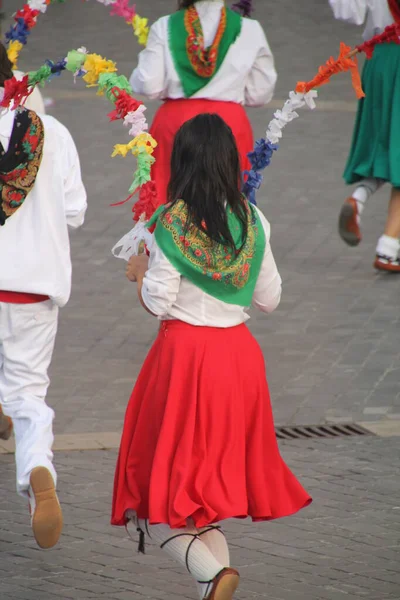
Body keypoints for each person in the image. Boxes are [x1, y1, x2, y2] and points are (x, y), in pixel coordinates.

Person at [112, 114, 311, 600]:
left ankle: (212, 576)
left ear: (181, 162)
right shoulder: (253, 220)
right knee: (204, 504)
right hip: (239, 361)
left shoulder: (171, 221)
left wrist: (139, 271)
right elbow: (269, 300)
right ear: (230, 163)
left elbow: (158, 302)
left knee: (157, 499)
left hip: (183, 360)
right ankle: (214, 586)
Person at [0, 41, 87, 549]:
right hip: (33, 289)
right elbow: (74, 209)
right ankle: (37, 470)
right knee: (29, 393)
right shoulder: (53, 133)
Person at [130, 0, 277, 206]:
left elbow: (149, 84)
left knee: (167, 199)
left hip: (175, 123)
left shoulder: (164, 26)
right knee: (229, 204)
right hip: (230, 126)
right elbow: (260, 93)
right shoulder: (250, 29)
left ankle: (168, 237)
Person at [330, 0, 400, 272]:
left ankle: (359, 198)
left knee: (387, 148)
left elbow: (348, 11)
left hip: (380, 62)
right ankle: (388, 246)